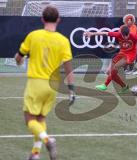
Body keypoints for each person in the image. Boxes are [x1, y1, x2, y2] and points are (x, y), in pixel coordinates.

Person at [14, 6, 75, 160]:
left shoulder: (34, 35)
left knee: (29, 119)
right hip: (53, 85)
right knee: (41, 119)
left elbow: (19, 56)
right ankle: (35, 153)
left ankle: (48, 140)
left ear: (42, 18)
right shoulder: (63, 40)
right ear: (58, 20)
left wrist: (19, 60)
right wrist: (71, 90)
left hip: (36, 82)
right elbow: (69, 68)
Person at [84, 25, 137, 93]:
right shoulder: (118, 34)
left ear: (129, 33)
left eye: (127, 36)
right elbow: (105, 33)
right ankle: (123, 87)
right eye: (123, 36)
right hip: (121, 54)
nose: (125, 38)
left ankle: (106, 84)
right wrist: (92, 34)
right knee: (111, 72)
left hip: (130, 57)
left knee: (115, 68)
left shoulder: (135, 36)